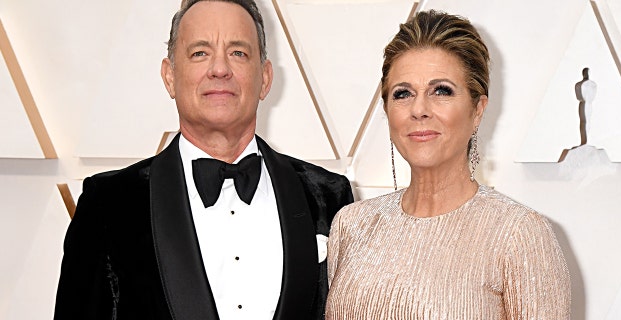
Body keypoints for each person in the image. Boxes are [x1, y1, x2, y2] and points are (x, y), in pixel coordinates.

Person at [53, 0, 353, 319]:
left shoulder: (329, 198)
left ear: (265, 78)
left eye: (238, 52)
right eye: (200, 53)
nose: (220, 69)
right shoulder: (108, 203)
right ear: (169, 76)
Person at [325, 9, 570, 319]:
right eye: (403, 94)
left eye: (441, 91)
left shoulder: (519, 234)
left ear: (477, 109)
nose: (419, 109)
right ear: (387, 111)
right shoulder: (351, 225)